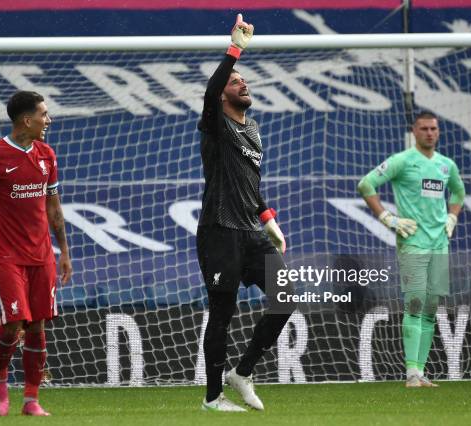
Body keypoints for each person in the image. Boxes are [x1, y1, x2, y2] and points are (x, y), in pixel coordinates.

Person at [196, 14, 293, 412]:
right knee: (223, 312)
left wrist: (268, 219)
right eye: (235, 82)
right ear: (222, 95)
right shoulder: (214, 123)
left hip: (251, 231)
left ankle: (244, 371)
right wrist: (234, 49)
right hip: (219, 230)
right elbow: (212, 90)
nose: (242, 83)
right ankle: (213, 398)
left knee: (285, 296)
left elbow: (250, 185)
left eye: (244, 80)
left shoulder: (252, 129)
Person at [0, 90, 72, 416]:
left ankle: (31, 400)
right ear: (27, 120)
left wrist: (64, 251)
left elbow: (54, 206)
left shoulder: (47, 155)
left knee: (38, 325)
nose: (48, 120)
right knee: (14, 323)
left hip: (42, 254)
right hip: (6, 254)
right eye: (43, 114)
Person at [357, 111, 465, 387]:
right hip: (413, 242)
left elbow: (458, 193)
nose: (430, 133)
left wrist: (452, 216)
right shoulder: (402, 161)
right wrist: (387, 218)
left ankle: (420, 371)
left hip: (440, 244)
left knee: (431, 308)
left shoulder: (446, 165)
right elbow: (366, 184)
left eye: (434, 129)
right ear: (414, 131)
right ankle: (410, 373)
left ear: (438, 132)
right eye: (424, 128)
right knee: (415, 304)